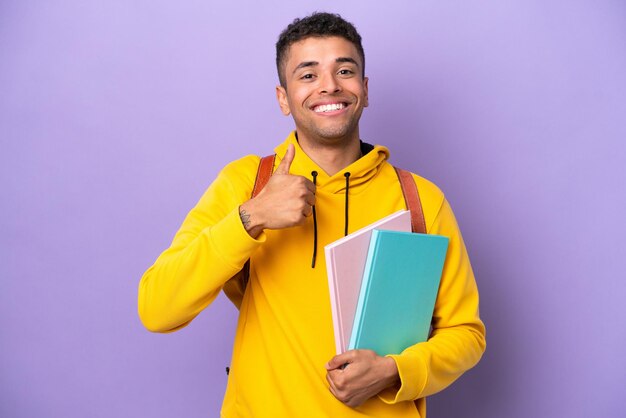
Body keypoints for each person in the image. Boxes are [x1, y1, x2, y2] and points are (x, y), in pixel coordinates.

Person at [138, 12, 486, 418]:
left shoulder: (421, 200)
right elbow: (157, 308)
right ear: (283, 98)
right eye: (308, 75)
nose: (329, 85)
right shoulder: (247, 184)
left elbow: (466, 334)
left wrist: (395, 370)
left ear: (365, 89)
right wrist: (251, 218)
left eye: (344, 70)